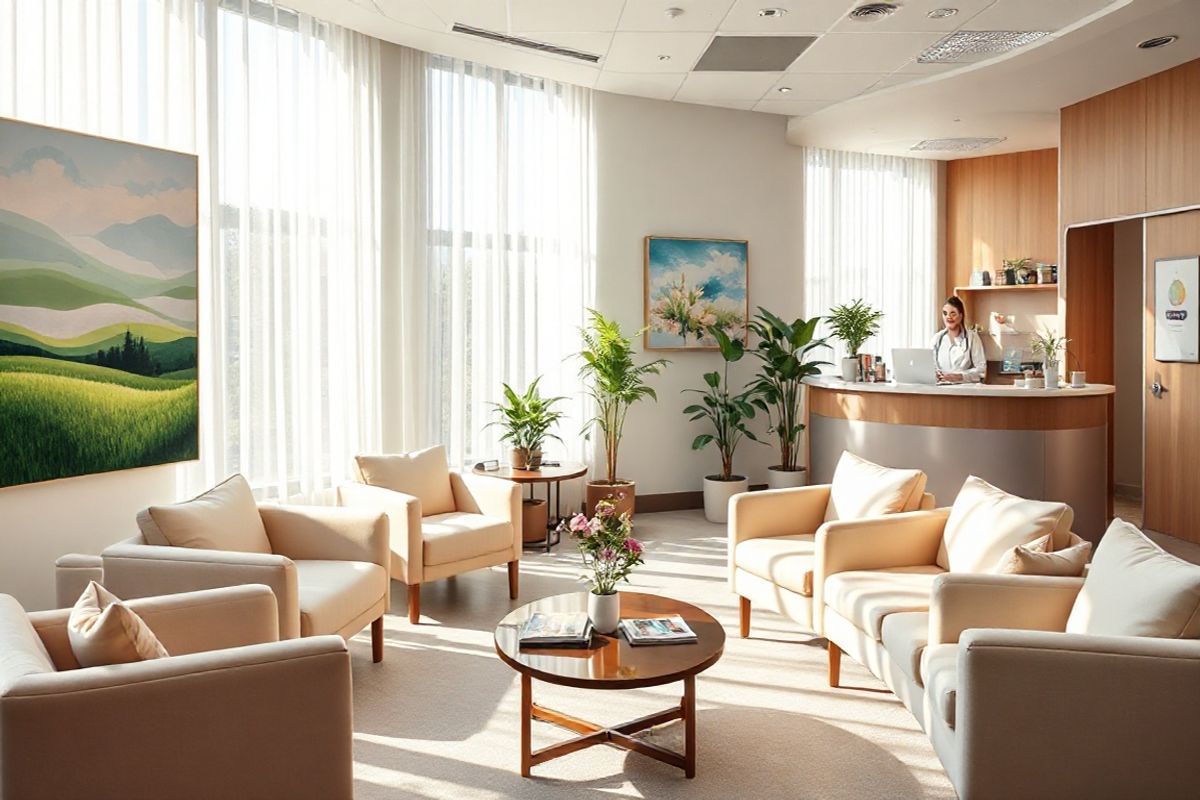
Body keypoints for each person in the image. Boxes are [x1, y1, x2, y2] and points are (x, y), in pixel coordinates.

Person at [932, 296, 986, 383]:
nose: (948, 317)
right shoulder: (937, 338)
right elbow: (931, 366)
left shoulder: (972, 338)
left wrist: (960, 376)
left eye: (953, 314)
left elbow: (981, 371)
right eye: (945, 313)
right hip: (941, 388)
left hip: (964, 390)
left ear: (960, 316)